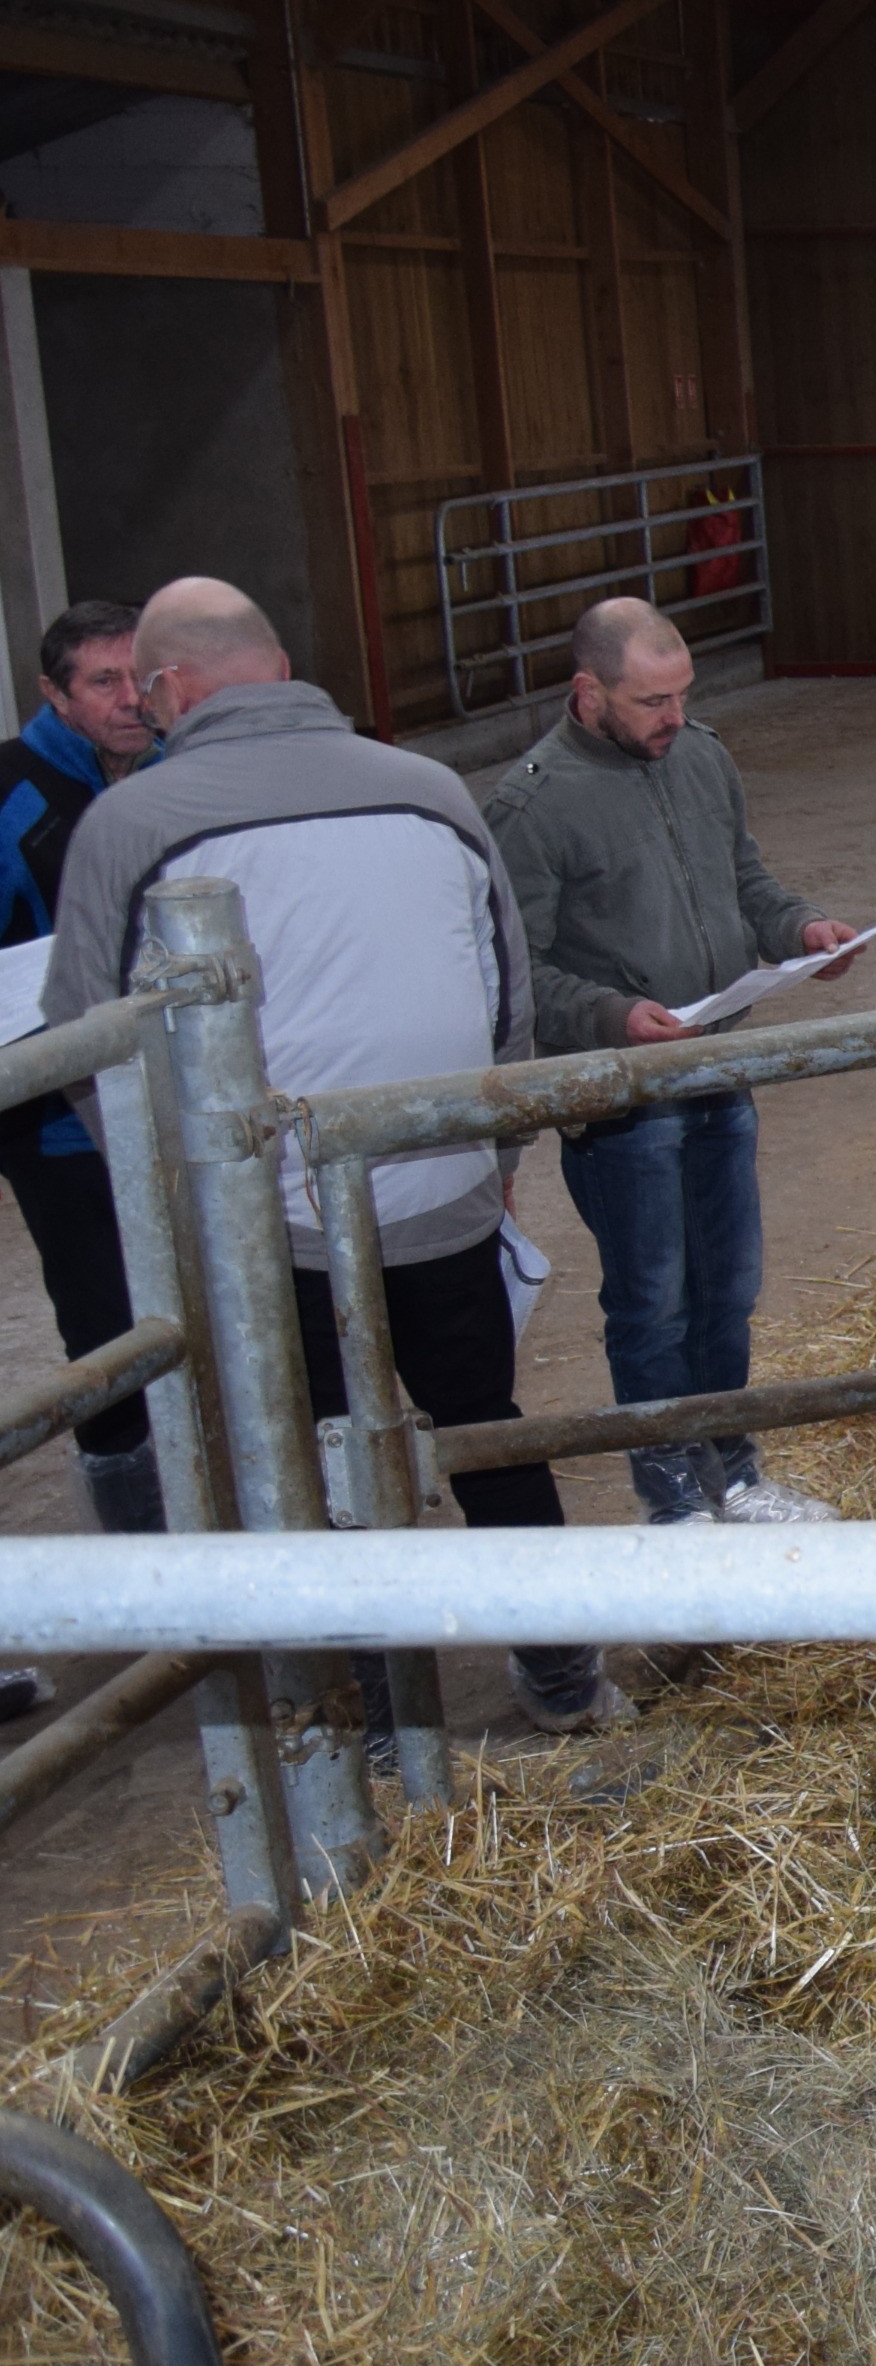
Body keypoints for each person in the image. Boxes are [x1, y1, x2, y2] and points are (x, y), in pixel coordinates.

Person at [43, 580, 626, 1734]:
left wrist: (172, 1206)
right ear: (279, 663)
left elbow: (85, 1040)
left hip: (272, 1218)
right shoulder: (429, 791)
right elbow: (506, 998)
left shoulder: (137, 822)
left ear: (172, 687)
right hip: (436, 1181)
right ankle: (564, 1673)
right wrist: (487, 1152)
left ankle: (361, 1718)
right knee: (485, 1427)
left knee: (303, 1462)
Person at [482, 601, 862, 1531]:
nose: (674, 716)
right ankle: (673, 1493)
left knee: (727, 1289)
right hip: (622, 1095)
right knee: (651, 1300)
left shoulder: (699, 757)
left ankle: (734, 1470)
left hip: (716, 1063)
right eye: (652, 700)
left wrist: (800, 928)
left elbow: (745, 881)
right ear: (588, 692)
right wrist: (611, 1015)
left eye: (683, 694)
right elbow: (514, 968)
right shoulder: (530, 806)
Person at [0, 600, 161, 1557]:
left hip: (171, 1104)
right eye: (102, 682)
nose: (128, 700)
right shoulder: (12, 798)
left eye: (138, 676)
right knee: (106, 1325)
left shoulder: (172, 776)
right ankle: (143, 1553)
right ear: (54, 694)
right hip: (56, 1123)